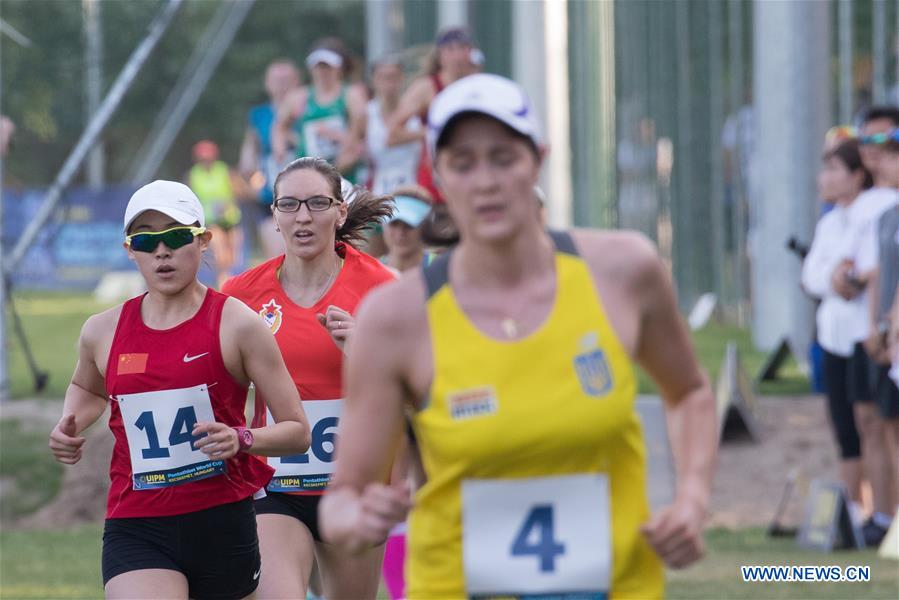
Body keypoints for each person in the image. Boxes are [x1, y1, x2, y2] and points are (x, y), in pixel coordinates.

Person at [320, 74, 717, 598]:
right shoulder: (395, 317)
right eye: (462, 163)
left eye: (503, 158)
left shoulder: (623, 270)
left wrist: (691, 498)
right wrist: (361, 519)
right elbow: (341, 500)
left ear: (538, 159)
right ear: (438, 175)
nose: (485, 181)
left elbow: (688, 392)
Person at [47, 180, 310, 600]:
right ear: (130, 250)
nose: (162, 251)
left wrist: (241, 439)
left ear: (203, 241)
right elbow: (87, 387)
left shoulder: (237, 324)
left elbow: (298, 430)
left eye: (175, 237)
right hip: (137, 522)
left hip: (222, 519)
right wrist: (71, 423)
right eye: (147, 241)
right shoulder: (102, 330)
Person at [221, 157, 395, 599]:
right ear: (274, 215)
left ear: (340, 211)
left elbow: (423, 386)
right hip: (274, 483)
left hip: (355, 483)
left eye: (317, 203)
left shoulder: (382, 288)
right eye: (289, 204)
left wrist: (369, 355)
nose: (302, 216)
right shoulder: (241, 294)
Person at [801, 140, 874, 527]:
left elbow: (858, 274)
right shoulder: (829, 221)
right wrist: (831, 277)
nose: (824, 178)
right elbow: (812, 277)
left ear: (858, 175)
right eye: (823, 168)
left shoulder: (872, 212)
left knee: (872, 424)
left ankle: (880, 508)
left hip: (866, 336)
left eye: (834, 169)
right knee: (844, 425)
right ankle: (852, 510)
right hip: (832, 335)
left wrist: (837, 277)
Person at [842, 106, 899, 546]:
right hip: (882, 335)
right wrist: (881, 325)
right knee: (880, 424)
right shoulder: (882, 213)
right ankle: (885, 518)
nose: (879, 157)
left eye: (890, 150)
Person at [386, 26, 476, 203]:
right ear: (440, 55)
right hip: (434, 181)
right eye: (451, 49)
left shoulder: (476, 86)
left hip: (468, 177)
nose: (457, 56)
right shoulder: (426, 87)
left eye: (462, 49)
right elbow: (392, 134)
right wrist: (431, 131)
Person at [272, 39, 367, 182]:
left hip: (344, 174)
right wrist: (280, 150)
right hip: (307, 173)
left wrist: (341, 145)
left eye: (327, 67)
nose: (323, 72)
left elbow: (361, 135)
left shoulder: (351, 95)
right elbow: (279, 127)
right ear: (311, 68)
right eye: (318, 67)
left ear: (339, 68)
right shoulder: (299, 97)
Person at [239, 59, 302, 259]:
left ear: (297, 82)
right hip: (271, 195)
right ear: (267, 84)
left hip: (306, 195)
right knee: (278, 256)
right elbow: (250, 149)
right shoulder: (259, 115)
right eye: (277, 80)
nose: (282, 85)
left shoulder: (307, 110)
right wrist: (248, 171)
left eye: (286, 80)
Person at [188, 140, 243, 288]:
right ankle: (224, 285)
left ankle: (231, 284)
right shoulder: (194, 174)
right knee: (221, 256)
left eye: (208, 158)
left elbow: (239, 191)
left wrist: (229, 203)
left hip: (231, 218)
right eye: (202, 158)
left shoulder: (224, 171)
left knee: (233, 258)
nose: (206, 161)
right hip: (211, 221)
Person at [380, 184, 433, 274]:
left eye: (409, 225)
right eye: (394, 224)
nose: (400, 233)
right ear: (383, 225)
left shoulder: (443, 269)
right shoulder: (369, 270)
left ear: (426, 227)